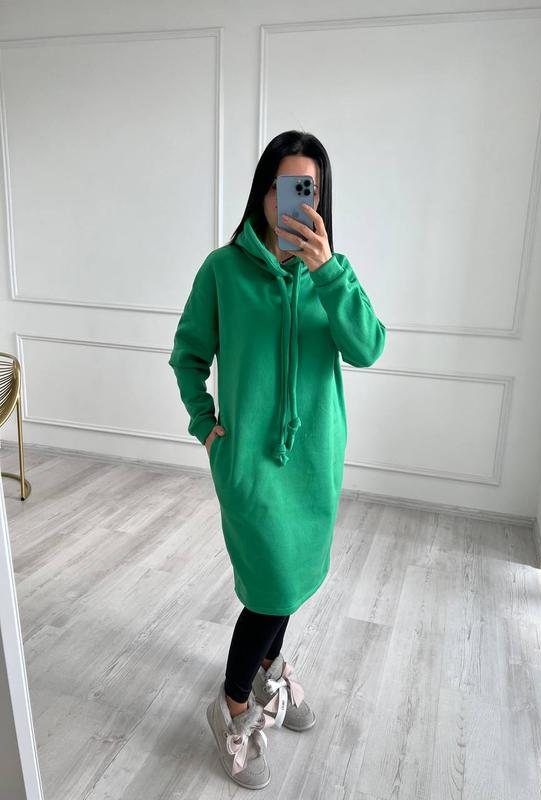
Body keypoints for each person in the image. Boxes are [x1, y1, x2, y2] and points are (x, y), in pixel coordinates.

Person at [168, 130, 386, 789]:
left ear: (319, 197)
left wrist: (328, 271)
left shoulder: (332, 274)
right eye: (279, 186)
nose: (288, 201)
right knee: (268, 593)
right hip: (250, 468)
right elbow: (188, 356)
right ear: (262, 192)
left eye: (304, 189)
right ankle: (232, 706)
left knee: (293, 581)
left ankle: (269, 672)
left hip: (315, 464)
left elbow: (368, 348)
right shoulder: (222, 271)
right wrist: (207, 430)